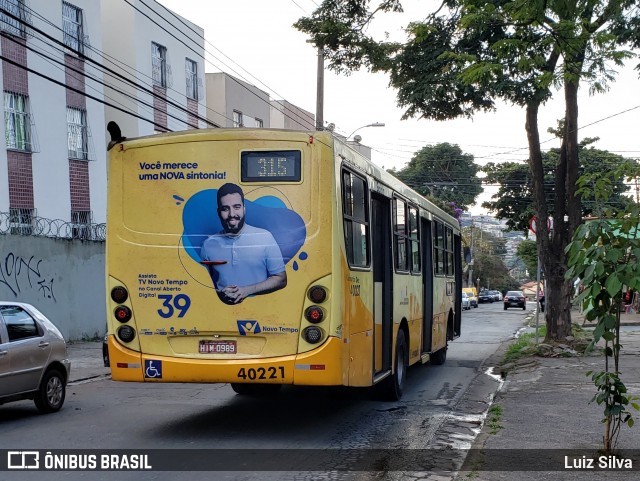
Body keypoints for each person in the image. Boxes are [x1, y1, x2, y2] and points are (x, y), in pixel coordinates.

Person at [201, 183, 287, 304]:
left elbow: (281, 279)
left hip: (263, 313)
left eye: (236, 207)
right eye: (225, 208)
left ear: (244, 208)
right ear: (218, 212)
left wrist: (247, 290)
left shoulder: (264, 237)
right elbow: (204, 286)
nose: (231, 214)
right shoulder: (208, 245)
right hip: (220, 315)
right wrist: (220, 294)